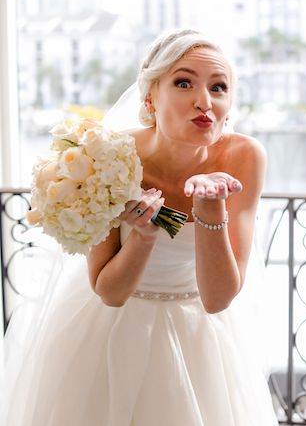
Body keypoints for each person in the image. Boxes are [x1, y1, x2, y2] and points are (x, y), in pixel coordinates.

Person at [1, 28, 279, 425]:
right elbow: (109, 293)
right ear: (150, 97)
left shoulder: (244, 156)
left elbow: (217, 298)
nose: (205, 101)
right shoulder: (110, 155)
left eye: (219, 88)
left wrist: (210, 207)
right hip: (110, 326)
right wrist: (144, 236)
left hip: (198, 330)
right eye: (184, 83)